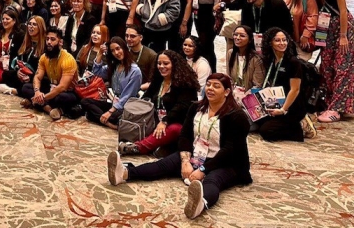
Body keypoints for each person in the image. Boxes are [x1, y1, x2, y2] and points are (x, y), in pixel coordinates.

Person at [106, 73, 252, 220]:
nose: (210, 89)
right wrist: (185, 161)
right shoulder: (196, 108)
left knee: (213, 180)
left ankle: (200, 203)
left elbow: (230, 150)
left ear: (227, 92)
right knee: (163, 165)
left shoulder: (237, 116)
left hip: (227, 162)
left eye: (216, 86)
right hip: (197, 155)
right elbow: (185, 135)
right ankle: (124, 173)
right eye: (208, 85)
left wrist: (203, 170)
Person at [306, 0, 354, 123]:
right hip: (324, 28)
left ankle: (338, 107)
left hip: (341, 28)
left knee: (343, 67)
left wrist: (343, 36)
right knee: (327, 66)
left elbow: (343, 11)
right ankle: (328, 102)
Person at [118, 50, 200, 157]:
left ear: (175, 65)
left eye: (166, 63)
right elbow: (146, 98)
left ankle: (137, 147)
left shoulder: (186, 85)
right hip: (154, 119)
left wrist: (165, 121)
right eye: (159, 63)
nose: (161, 66)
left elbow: (182, 107)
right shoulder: (158, 80)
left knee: (174, 129)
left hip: (175, 123)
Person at [257, 27, 307, 141]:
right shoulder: (270, 59)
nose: (282, 43)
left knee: (266, 132)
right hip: (275, 100)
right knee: (257, 121)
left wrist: (283, 109)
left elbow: (295, 90)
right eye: (277, 40)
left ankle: (298, 130)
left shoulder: (293, 62)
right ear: (270, 43)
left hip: (292, 104)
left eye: (284, 40)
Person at [80, 36, 142, 128]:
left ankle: (108, 120)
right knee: (85, 102)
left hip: (125, 107)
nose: (116, 53)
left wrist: (109, 112)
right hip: (114, 103)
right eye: (112, 51)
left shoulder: (135, 71)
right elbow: (97, 73)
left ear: (124, 48)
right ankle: (108, 122)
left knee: (91, 115)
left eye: (118, 49)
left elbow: (127, 97)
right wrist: (100, 53)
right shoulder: (115, 66)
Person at [19, 28, 79, 121]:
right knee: (26, 87)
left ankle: (35, 103)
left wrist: (42, 98)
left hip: (67, 92)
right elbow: (37, 77)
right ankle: (48, 109)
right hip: (51, 88)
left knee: (62, 98)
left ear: (60, 42)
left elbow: (63, 87)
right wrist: (37, 92)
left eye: (53, 39)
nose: (49, 42)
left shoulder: (68, 59)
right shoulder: (44, 57)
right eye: (47, 39)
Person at [224, 0, 293, 45]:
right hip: (253, 42)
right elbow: (231, 6)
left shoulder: (276, 3)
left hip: (274, 42)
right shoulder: (246, 2)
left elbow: (287, 28)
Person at [225, 25, 265, 95]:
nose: (237, 38)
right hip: (234, 94)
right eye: (235, 35)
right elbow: (229, 78)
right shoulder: (230, 53)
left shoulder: (256, 58)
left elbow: (258, 85)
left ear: (250, 39)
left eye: (242, 36)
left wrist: (245, 97)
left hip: (250, 96)